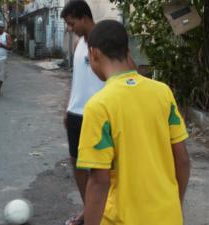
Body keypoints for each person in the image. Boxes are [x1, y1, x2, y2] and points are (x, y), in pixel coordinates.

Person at [78, 20, 190, 225]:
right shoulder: (162, 92)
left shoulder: (99, 106)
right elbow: (182, 160)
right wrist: (176, 205)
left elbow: (99, 182)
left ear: (94, 53)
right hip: (168, 216)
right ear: (127, 51)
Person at [60, 1, 105, 224]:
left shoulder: (105, 39)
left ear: (84, 18)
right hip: (77, 113)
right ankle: (88, 211)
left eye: (71, 23)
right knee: (77, 163)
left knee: (101, 169)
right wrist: (69, 107)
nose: (70, 28)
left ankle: (105, 212)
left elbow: (128, 70)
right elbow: (77, 77)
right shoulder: (78, 42)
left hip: (100, 114)